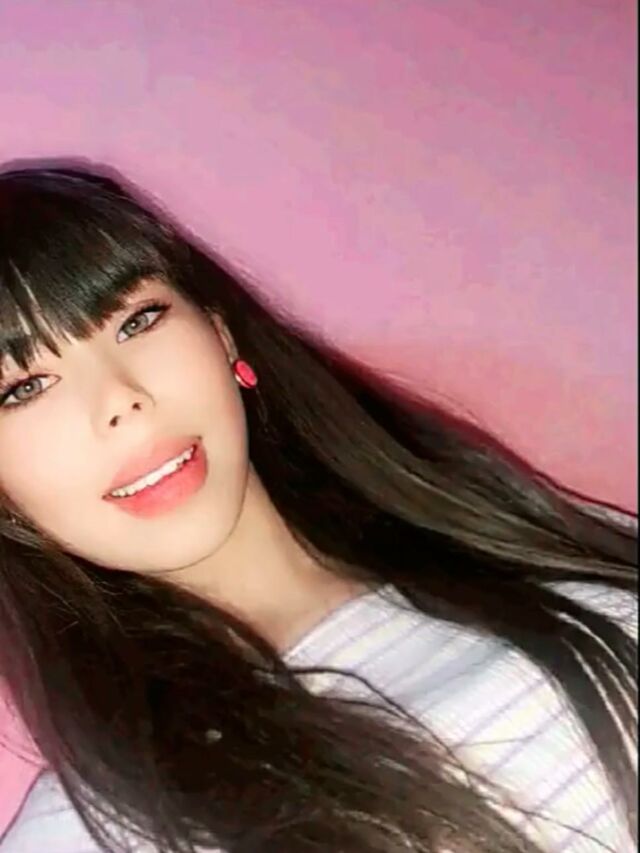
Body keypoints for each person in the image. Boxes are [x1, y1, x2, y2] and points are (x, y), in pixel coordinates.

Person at [0, 164, 636, 853]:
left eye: (137, 320)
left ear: (222, 334)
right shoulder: (85, 833)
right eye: (25, 387)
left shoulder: (528, 549)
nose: (120, 400)